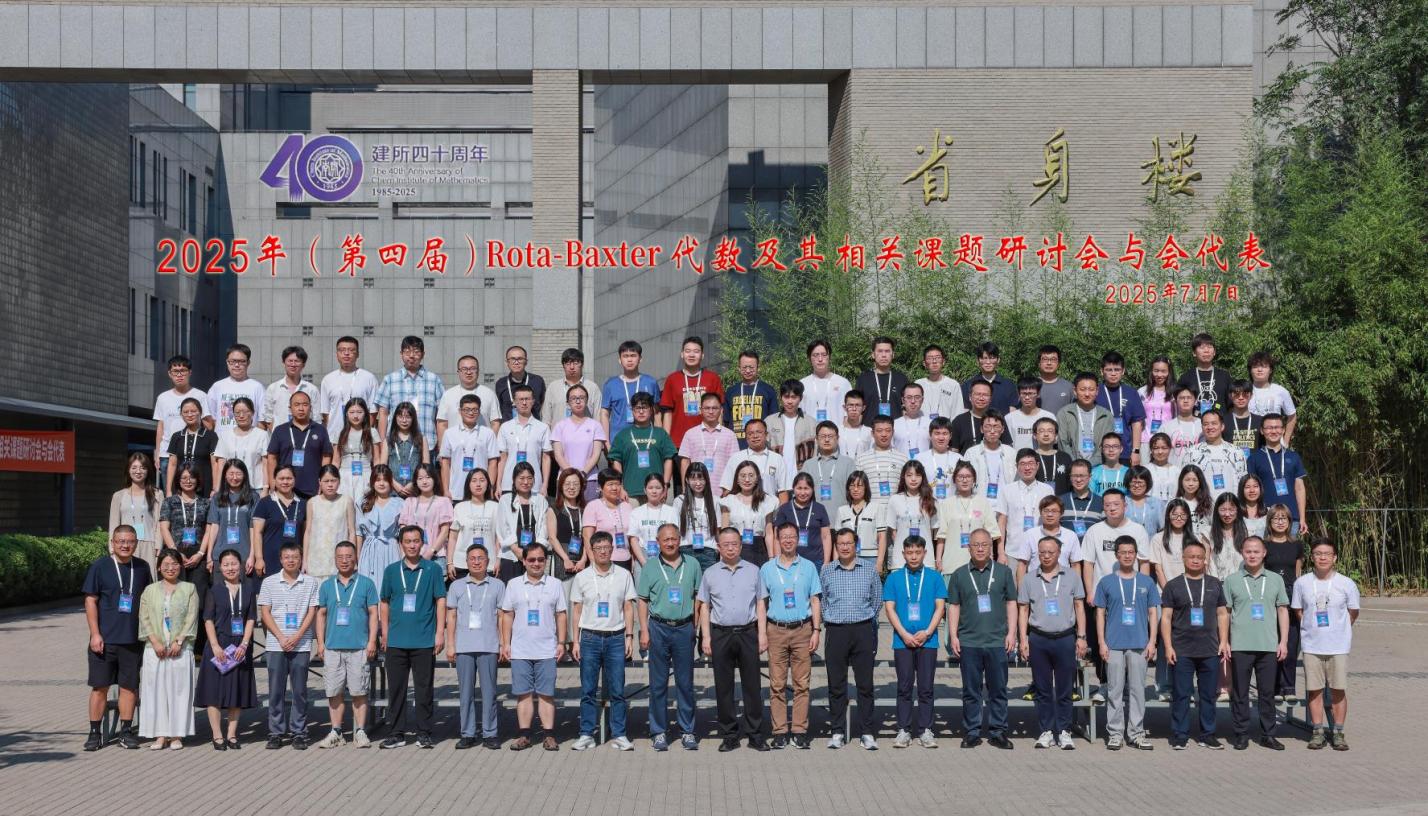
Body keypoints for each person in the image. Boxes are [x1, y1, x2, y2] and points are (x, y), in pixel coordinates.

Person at [699, 527, 769, 752]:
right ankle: (729, 735)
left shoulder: (754, 570)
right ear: (718, 547)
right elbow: (704, 606)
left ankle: (755, 734)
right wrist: (706, 637)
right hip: (721, 634)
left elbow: (760, 603)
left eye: (734, 544)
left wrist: (762, 634)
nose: (730, 548)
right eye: (726, 544)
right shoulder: (710, 573)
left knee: (752, 686)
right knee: (723, 687)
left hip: (748, 632)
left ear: (740, 545)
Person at [946, 528, 1017, 750]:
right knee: (971, 691)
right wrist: (953, 635)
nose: (979, 548)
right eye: (975, 544)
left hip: (997, 641)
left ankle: (998, 732)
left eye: (984, 544)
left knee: (998, 690)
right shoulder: (959, 574)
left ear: (991, 547)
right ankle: (972, 732)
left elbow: (1011, 603)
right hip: (969, 641)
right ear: (968, 547)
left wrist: (1012, 633)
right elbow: (954, 606)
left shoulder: (1004, 572)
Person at [379, 525, 447, 749]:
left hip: (424, 640)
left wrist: (439, 633)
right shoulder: (391, 571)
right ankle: (396, 733)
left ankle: (424, 732)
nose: (412, 545)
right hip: (396, 641)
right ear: (401, 544)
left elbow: (440, 600)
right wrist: (385, 632)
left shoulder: (432, 569)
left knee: (424, 689)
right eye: (407, 541)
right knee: (396, 689)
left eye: (416, 541)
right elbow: (384, 602)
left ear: (422, 543)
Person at [569, 532, 638, 751]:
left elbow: (628, 607)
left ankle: (619, 734)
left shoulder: (624, 575)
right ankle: (586, 734)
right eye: (598, 548)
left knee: (617, 690)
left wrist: (629, 637)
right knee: (588, 690)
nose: (603, 551)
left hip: (615, 637)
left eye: (607, 547)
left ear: (612, 549)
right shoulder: (582, 577)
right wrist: (575, 641)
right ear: (591, 550)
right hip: (589, 637)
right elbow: (576, 610)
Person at [1079, 489, 1151, 700]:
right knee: (1103, 641)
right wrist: (1090, 591)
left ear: (1125, 506)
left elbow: (1144, 562)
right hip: (1104, 597)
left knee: (1131, 642)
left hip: (1132, 597)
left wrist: (1145, 591)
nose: (1111, 508)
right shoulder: (1095, 531)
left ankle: (1128, 685)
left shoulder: (1137, 530)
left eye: (1116, 504)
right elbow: (1088, 563)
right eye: (1107, 505)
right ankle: (1105, 684)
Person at [1017, 534, 1087, 750]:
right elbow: (1023, 609)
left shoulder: (1072, 576)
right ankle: (1046, 730)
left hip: (1065, 638)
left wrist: (1082, 637)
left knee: (1065, 689)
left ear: (1059, 553)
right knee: (1043, 689)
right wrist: (1023, 639)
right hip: (1038, 638)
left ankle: (1064, 731)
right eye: (1042, 552)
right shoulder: (1029, 578)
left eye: (1051, 552)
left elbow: (1079, 607)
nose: (1046, 556)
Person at [1160, 540, 1231, 750]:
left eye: (1200, 557)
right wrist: (1168, 646)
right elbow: (1166, 618)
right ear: (1183, 559)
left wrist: (1224, 641)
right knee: (1181, 695)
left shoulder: (1214, 584)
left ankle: (1207, 734)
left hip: (1210, 649)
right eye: (1191, 557)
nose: (1195, 560)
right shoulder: (1173, 585)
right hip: (1182, 649)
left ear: (1205, 560)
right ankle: (1180, 735)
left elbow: (1222, 614)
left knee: (1208, 695)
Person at [638, 523, 703, 751]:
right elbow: (642, 600)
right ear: (658, 542)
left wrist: (695, 626)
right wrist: (644, 630)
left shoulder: (693, 564)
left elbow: (698, 598)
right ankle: (658, 731)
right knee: (658, 684)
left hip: (684, 628)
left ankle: (687, 730)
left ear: (679, 540)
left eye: (673, 539)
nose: (670, 543)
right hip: (658, 628)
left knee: (685, 683)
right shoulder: (650, 566)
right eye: (665, 539)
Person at [758, 523, 823, 749]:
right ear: (777, 539)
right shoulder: (767, 568)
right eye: (784, 537)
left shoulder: (809, 567)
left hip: (802, 630)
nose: (787, 540)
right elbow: (761, 603)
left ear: (798, 539)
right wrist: (762, 633)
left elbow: (815, 600)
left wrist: (816, 630)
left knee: (801, 684)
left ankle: (799, 730)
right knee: (776, 684)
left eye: (792, 537)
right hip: (775, 630)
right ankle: (779, 731)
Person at [1291, 537, 1359, 751]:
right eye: (1318, 553)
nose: (1322, 557)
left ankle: (1338, 732)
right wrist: (1312, 628)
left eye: (1327, 554)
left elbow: (1353, 612)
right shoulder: (1302, 583)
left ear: (1334, 557)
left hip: (1338, 646)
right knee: (1314, 691)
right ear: (1312, 557)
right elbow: (1298, 610)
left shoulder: (1346, 583)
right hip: (1312, 646)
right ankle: (1317, 731)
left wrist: (1338, 629)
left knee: (1338, 690)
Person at [1094, 536, 1160, 751]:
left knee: (1137, 690)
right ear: (1116, 555)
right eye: (1123, 552)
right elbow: (1100, 614)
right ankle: (1115, 733)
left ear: (1136, 555)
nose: (1127, 556)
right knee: (1114, 690)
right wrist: (1102, 642)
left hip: (1140, 643)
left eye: (1131, 552)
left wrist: (1152, 641)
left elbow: (1153, 613)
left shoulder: (1146, 582)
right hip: (1113, 644)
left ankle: (1136, 733)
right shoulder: (1106, 582)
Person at [500, 544, 568, 751]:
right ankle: (524, 736)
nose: (536, 563)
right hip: (520, 649)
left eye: (540, 559)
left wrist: (561, 642)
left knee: (546, 694)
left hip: (547, 649)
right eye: (531, 560)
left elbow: (561, 615)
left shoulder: (555, 584)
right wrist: (506, 643)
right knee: (523, 694)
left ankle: (549, 735)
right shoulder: (513, 584)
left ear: (546, 561)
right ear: (524, 561)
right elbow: (507, 615)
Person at [1224, 536, 1289, 751]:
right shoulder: (1231, 580)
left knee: (1267, 693)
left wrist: (1283, 641)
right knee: (1240, 693)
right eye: (1248, 551)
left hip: (1268, 645)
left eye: (1256, 551)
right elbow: (1225, 613)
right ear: (1242, 553)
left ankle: (1268, 734)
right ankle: (1241, 734)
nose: (1252, 555)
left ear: (1264, 553)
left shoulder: (1275, 579)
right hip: (1240, 645)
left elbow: (1282, 610)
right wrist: (1225, 641)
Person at [819, 527, 881, 750]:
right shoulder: (827, 571)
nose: (845, 547)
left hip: (862, 630)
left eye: (849, 543)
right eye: (841, 544)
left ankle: (867, 732)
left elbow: (877, 600)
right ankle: (837, 731)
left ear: (856, 545)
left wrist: (866, 620)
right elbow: (822, 600)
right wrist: (830, 618)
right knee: (836, 684)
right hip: (836, 631)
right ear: (836, 546)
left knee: (865, 685)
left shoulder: (869, 569)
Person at [313, 541, 379, 749]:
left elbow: (373, 613)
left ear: (355, 558)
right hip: (333, 647)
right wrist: (320, 643)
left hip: (359, 647)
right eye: (340, 557)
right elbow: (321, 615)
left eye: (348, 556)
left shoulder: (366, 584)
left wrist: (372, 641)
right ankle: (336, 731)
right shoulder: (326, 585)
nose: (344, 560)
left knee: (359, 691)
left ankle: (360, 731)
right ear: (335, 559)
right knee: (334, 691)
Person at [884, 534, 946, 748]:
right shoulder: (894, 578)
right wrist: (903, 634)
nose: (913, 556)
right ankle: (903, 729)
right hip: (902, 641)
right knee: (904, 687)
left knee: (926, 688)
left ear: (924, 553)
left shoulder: (934, 577)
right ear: (903, 554)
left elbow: (940, 607)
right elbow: (889, 609)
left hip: (928, 641)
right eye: (909, 552)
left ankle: (926, 730)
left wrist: (927, 632)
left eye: (917, 552)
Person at [257, 541, 320, 750]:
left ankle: (299, 732)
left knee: (300, 691)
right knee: (276, 691)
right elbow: (265, 612)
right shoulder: (269, 582)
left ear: (301, 559)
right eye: (287, 557)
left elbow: (312, 612)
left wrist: (297, 636)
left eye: (295, 557)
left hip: (301, 645)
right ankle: (276, 732)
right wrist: (281, 637)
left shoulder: (310, 582)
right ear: (280, 559)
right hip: (276, 644)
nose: (291, 560)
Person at [136, 548, 198, 749]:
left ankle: (176, 735)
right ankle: (160, 734)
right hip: (155, 648)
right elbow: (144, 617)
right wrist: (155, 641)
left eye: (174, 564)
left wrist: (179, 641)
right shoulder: (149, 590)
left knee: (179, 691)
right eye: (166, 564)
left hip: (180, 648)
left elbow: (191, 617)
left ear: (180, 566)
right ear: (158, 567)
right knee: (156, 691)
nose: (170, 568)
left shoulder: (189, 589)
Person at [445, 544, 505, 750]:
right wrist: (450, 644)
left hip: (489, 645)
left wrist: (503, 643)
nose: (476, 562)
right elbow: (451, 616)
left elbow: (502, 617)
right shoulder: (457, 586)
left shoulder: (497, 585)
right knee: (465, 693)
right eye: (472, 558)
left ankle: (490, 733)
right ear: (466, 561)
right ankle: (468, 733)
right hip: (464, 646)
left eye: (481, 558)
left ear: (488, 561)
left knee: (489, 693)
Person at [195, 549, 257, 749]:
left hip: (240, 648)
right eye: (226, 564)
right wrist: (215, 646)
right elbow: (208, 620)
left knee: (236, 692)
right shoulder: (214, 590)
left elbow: (251, 618)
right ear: (220, 568)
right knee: (214, 692)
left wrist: (245, 644)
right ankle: (217, 735)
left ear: (241, 565)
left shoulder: (248, 589)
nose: (230, 568)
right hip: (218, 647)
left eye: (234, 563)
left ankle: (232, 734)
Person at [1148, 498, 1203, 700]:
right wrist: (1170, 592)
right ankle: (1164, 686)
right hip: (1166, 595)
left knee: (1189, 641)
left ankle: (1186, 687)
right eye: (1174, 514)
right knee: (1166, 641)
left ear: (1188, 517)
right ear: (1168, 516)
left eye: (1182, 515)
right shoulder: (1158, 538)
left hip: (1191, 597)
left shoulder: (1195, 538)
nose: (1178, 518)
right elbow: (1158, 568)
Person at [373, 335, 445, 457]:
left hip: (428, 445)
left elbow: (441, 416)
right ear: (401, 354)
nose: (411, 356)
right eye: (407, 352)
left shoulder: (434, 380)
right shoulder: (390, 380)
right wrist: (381, 445)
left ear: (423, 354)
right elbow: (383, 414)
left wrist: (441, 446)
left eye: (416, 352)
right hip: (396, 445)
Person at [1262, 505, 1303, 702]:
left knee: (1291, 642)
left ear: (1289, 521)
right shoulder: (1264, 545)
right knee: (1273, 642)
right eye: (1276, 518)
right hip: (1270, 596)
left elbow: (1298, 573)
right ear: (1269, 522)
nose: (1280, 522)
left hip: (1290, 594)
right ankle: (1276, 688)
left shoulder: (1297, 545)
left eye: (1284, 518)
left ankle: (1289, 686)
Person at [659, 335, 725, 456]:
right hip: (678, 441)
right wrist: (666, 440)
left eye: (696, 351)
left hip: (707, 440)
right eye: (688, 351)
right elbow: (667, 412)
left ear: (702, 355)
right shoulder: (672, 379)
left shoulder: (712, 378)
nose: (691, 355)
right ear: (682, 354)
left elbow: (719, 410)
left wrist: (719, 435)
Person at [153, 354, 213, 483]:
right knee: (170, 491)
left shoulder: (201, 396)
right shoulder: (162, 398)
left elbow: (209, 425)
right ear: (169, 374)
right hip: (167, 454)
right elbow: (160, 427)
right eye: (175, 371)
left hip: (193, 453)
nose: (179, 375)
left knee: (194, 489)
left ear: (190, 372)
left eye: (183, 371)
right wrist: (157, 453)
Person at [160, 463, 213, 609]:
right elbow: (164, 528)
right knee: (176, 596)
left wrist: (201, 553)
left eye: (191, 477)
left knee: (198, 597)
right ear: (178, 480)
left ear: (198, 480)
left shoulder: (206, 503)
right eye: (183, 477)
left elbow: (209, 530)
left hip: (198, 553)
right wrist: (175, 552)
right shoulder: (169, 502)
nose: (188, 481)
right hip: (175, 552)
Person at [607, 393, 676, 503]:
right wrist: (620, 486)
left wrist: (666, 484)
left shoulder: (661, 433)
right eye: (637, 408)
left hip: (656, 492)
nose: (641, 411)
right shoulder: (623, 435)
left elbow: (668, 459)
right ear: (632, 410)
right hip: (630, 493)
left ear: (651, 410)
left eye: (645, 407)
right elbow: (616, 461)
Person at [1248, 414, 1309, 536]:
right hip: (1264, 517)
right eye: (1269, 428)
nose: (1273, 431)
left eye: (1277, 427)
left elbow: (1299, 488)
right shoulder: (1254, 458)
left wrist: (1302, 518)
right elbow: (1251, 490)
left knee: (1289, 548)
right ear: (1262, 431)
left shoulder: (1293, 456)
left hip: (1291, 517)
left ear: (1283, 430)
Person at [265, 391, 333, 499]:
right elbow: (272, 457)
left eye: (305, 405)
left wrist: (323, 480)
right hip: (285, 487)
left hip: (312, 489)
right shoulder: (280, 430)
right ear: (290, 408)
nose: (301, 408)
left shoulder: (320, 430)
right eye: (297, 405)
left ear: (310, 408)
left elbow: (326, 456)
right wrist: (272, 481)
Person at [938, 461, 1001, 573]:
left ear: (974, 480)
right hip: (951, 564)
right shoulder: (946, 504)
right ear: (954, 480)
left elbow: (992, 533)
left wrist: (991, 556)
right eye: (960, 477)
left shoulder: (983, 502)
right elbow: (942, 536)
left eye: (968, 476)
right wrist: (938, 559)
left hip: (979, 564)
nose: (964, 480)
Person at [203, 461, 261, 580]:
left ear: (244, 475)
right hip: (220, 555)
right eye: (231, 473)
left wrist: (252, 555)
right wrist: (209, 555)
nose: (234, 478)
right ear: (225, 475)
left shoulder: (253, 497)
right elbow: (214, 526)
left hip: (244, 555)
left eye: (238, 474)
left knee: (243, 591)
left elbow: (253, 528)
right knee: (221, 590)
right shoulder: (217, 497)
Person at [1008, 495, 1084, 585]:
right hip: (1035, 585)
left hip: (1063, 586)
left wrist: (1076, 589)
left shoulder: (1071, 536)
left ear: (1061, 513)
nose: (1050, 514)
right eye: (1046, 511)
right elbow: (1022, 564)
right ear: (1040, 513)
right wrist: (1021, 590)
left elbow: (1075, 565)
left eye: (1054, 511)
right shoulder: (1030, 535)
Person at [880, 460, 940, 573]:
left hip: (926, 560)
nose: (913, 479)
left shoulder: (931, 501)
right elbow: (893, 532)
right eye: (909, 475)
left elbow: (934, 534)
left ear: (922, 477)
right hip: (900, 560)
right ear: (904, 477)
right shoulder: (895, 500)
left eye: (917, 475)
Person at [551, 384, 608, 500]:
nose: (578, 401)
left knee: (590, 510)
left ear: (586, 401)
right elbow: (558, 455)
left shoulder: (595, 425)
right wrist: (571, 475)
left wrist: (583, 473)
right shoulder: (560, 426)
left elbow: (596, 454)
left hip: (589, 478)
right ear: (568, 403)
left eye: (581, 398)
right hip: (565, 479)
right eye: (573, 398)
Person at [494, 384, 552, 496]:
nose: (524, 403)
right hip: (509, 484)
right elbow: (502, 458)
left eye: (527, 399)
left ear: (533, 401)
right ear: (514, 402)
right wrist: (498, 484)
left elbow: (546, 458)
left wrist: (545, 485)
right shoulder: (505, 427)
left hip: (534, 486)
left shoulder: (543, 427)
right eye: (520, 399)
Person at [717, 463, 779, 567]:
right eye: (743, 476)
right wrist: (721, 561)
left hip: (759, 551)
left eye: (751, 475)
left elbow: (769, 533)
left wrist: (771, 558)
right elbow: (724, 534)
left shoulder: (767, 501)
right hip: (735, 550)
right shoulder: (728, 501)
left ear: (757, 479)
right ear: (737, 479)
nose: (747, 480)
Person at [601, 339, 662, 442]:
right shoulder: (610, 384)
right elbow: (604, 413)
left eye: (633, 356)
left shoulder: (650, 382)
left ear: (640, 359)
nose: (629, 360)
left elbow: (657, 414)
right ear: (619, 360)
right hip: (618, 440)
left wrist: (659, 440)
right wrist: (606, 443)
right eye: (625, 356)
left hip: (645, 439)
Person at [318, 336, 380, 438]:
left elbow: (373, 412)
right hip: (334, 437)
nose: (346, 353)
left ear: (358, 354)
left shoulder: (369, 378)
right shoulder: (327, 379)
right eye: (342, 350)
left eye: (351, 350)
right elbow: (325, 413)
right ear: (337, 354)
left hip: (361, 437)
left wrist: (365, 434)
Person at [440, 393, 499, 499]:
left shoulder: (488, 433)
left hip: (481, 492)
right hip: (456, 492)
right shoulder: (449, 433)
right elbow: (445, 464)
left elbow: (493, 463)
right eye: (467, 410)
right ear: (460, 411)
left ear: (479, 412)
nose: (471, 413)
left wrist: (490, 488)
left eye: (475, 410)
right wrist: (445, 490)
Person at [398, 463, 454, 574]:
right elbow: (402, 531)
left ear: (434, 479)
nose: (424, 481)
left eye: (428, 477)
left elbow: (445, 532)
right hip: (411, 557)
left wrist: (431, 552)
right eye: (420, 478)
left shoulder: (443, 501)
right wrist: (404, 554)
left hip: (436, 557)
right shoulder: (409, 502)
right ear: (415, 481)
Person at [435, 355, 501, 448]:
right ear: (458, 372)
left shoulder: (489, 394)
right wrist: (443, 450)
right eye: (464, 369)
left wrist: (491, 447)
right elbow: (442, 424)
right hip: (455, 449)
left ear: (478, 371)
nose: (469, 372)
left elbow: (495, 423)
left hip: (482, 449)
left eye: (472, 369)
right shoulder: (448, 395)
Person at [110, 452, 161, 570]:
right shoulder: (118, 496)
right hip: (124, 545)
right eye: (134, 468)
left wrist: (158, 545)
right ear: (128, 470)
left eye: (142, 468)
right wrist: (112, 547)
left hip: (149, 545)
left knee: (147, 579)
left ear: (148, 471)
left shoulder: (157, 494)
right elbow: (114, 523)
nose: (138, 471)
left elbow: (159, 522)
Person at [304, 466, 356, 582]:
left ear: (339, 481)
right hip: (316, 560)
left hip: (339, 560)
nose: (330, 485)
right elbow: (308, 532)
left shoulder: (346, 501)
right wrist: (305, 561)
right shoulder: (312, 502)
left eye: (333, 480)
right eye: (326, 481)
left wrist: (353, 558)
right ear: (319, 482)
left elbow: (352, 531)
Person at [357, 465, 404, 593]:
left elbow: (402, 534)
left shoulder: (400, 503)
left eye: (385, 480)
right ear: (372, 482)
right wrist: (358, 557)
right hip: (369, 551)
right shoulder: (362, 503)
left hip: (391, 549)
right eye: (378, 480)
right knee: (369, 589)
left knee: (391, 587)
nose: (381, 483)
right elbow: (359, 533)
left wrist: (403, 557)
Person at [253, 466, 306, 579]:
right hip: (270, 560)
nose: (285, 482)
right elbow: (257, 532)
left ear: (294, 479)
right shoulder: (265, 503)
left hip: (294, 561)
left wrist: (305, 560)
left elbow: (306, 534)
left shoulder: (303, 504)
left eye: (289, 478)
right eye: (281, 479)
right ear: (274, 480)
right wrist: (259, 558)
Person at [719, 417, 790, 502]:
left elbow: (783, 491)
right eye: (750, 433)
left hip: (771, 508)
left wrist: (781, 510)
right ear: (746, 437)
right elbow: (727, 489)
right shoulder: (736, 458)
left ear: (766, 434)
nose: (755, 436)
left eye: (759, 432)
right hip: (742, 508)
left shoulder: (777, 459)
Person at [679, 391, 739, 490]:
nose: (711, 412)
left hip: (722, 491)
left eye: (714, 408)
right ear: (701, 410)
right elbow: (685, 462)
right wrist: (685, 488)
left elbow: (734, 463)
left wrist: (730, 489)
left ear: (721, 410)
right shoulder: (690, 434)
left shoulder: (730, 435)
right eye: (707, 408)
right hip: (696, 490)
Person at [1097, 351, 1146, 465]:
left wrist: (1136, 451)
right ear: (1102, 371)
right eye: (1109, 370)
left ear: (1123, 371)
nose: (1113, 373)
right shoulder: (1095, 391)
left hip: (1125, 451)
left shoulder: (1131, 392)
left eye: (1117, 369)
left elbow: (1137, 423)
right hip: (1099, 452)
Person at [214, 396, 271, 497]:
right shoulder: (224, 436)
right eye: (237, 412)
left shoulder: (262, 435)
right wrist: (217, 490)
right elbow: (221, 465)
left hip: (255, 489)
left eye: (245, 412)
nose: (241, 416)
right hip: (231, 489)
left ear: (252, 413)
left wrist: (266, 488)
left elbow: (265, 464)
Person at [773, 473, 833, 567]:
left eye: (806, 488)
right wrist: (777, 560)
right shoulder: (784, 509)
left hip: (816, 561)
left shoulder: (820, 508)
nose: (802, 492)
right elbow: (777, 538)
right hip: (790, 561)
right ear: (793, 488)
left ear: (812, 489)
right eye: (799, 488)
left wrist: (826, 562)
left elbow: (826, 536)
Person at [998, 449, 1054, 547]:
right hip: (1013, 549)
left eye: (1031, 463)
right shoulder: (1007, 490)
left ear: (1037, 465)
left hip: (1040, 549)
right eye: (1023, 464)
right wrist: (1001, 550)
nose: (1027, 468)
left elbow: (1052, 520)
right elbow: (1002, 522)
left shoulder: (1047, 490)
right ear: (1017, 466)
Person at [1186, 410, 1247, 500]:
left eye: (1214, 423)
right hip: (1202, 505)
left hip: (1230, 505)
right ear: (1202, 427)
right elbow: (1186, 482)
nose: (1210, 427)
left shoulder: (1236, 452)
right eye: (1206, 424)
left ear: (1222, 426)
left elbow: (1242, 482)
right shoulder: (1192, 452)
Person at [333, 398, 384, 505]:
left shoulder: (372, 432)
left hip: (366, 474)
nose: (355, 416)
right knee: (345, 507)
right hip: (344, 475)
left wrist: (378, 478)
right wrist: (332, 479)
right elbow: (336, 461)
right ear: (346, 414)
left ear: (365, 414)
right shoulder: (340, 432)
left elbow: (376, 459)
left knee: (364, 506)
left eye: (359, 412)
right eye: (352, 412)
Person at [582, 469, 634, 573]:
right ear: (601, 487)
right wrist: (593, 562)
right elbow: (587, 537)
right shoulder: (593, 506)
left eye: (618, 484)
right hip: (603, 561)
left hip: (626, 559)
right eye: (610, 484)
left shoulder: (627, 506)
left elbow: (632, 537)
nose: (614, 488)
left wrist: (633, 559)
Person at [451, 467, 501, 577]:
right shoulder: (459, 507)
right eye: (474, 481)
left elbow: (498, 538)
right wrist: (449, 562)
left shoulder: (496, 507)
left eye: (482, 480)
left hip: (489, 563)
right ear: (468, 485)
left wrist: (498, 559)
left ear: (488, 484)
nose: (478, 484)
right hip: (462, 563)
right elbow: (453, 537)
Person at [725, 349, 779, 449]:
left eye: (751, 367)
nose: (748, 371)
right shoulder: (731, 391)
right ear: (739, 368)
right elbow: (726, 422)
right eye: (744, 367)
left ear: (758, 368)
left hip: (761, 447)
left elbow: (774, 421)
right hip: (736, 446)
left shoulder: (768, 390)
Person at [1056, 373, 1114, 465]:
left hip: (1098, 466)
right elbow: (1063, 442)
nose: (1087, 394)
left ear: (1097, 391)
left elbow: (1107, 445)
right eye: (1082, 389)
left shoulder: (1106, 415)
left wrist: (1090, 464)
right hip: (1071, 465)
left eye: (1091, 389)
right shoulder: (1064, 413)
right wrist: (1075, 465)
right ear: (1075, 391)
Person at [207, 343, 267, 431]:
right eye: (232, 361)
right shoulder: (217, 387)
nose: (236, 365)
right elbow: (211, 419)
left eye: (241, 361)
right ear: (227, 362)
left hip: (249, 438)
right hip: (222, 439)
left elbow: (262, 421)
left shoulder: (257, 387)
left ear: (248, 363)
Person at [165, 396, 218, 496]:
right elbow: (172, 464)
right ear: (181, 415)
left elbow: (214, 464)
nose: (189, 415)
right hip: (181, 488)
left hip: (204, 488)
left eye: (193, 411)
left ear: (200, 412)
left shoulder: (211, 436)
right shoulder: (176, 436)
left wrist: (215, 489)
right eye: (185, 412)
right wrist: (168, 490)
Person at [855, 415, 908, 509]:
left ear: (893, 432)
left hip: (896, 511)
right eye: (879, 431)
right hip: (870, 512)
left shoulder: (903, 459)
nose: (884, 434)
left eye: (888, 430)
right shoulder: (861, 459)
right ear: (872, 433)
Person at [675, 462, 720, 571]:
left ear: (707, 480)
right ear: (687, 480)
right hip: (686, 549)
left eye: (701, 479)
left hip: (708, 550)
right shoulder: (679, 501)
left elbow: (718, 529)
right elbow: (675, 529)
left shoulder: (715, 500)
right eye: (693, 479)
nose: (698, 483)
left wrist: (719, 548)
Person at [262, 345, 321, 430]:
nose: (293, 364)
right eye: (290, 361)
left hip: (305, 436)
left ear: (303, 364)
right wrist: (278, 434)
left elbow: (317, 418)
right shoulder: (273, 388)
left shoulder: (311, 389)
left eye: (297, 361)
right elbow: (268, 417)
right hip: (280, 437)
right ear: (284, 363)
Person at [800, 338, 853, 428]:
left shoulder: (843, 383)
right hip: (811, 435)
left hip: (837, 434)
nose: (820, 359)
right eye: (815, 355)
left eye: (824, 355)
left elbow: (849, 414)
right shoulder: (802, 384)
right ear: (809, 358)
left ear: (829, 357)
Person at [542, 347, 602, 425]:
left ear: (582, 364)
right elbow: (546, 418)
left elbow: (598, 418)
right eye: (568, 363)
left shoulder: (592, 388)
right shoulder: (553, 387)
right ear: (563, 365)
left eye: (576, 363)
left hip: (585, 432)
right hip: (558, 432)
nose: (572, 367)